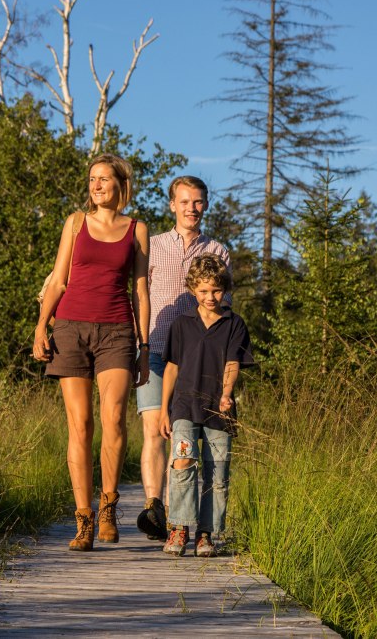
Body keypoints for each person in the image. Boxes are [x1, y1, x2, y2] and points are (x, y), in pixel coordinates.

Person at [33, 153, 150, 552]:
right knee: (80, 425)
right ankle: (83, 519)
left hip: (117, 331)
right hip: (69, 327)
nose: (96, 185)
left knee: (114, 419)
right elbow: (58, 279)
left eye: (104, 179)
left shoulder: (137, 229)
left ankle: (108, 507)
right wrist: (39, 327)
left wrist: (145, 346)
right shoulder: (75, 223)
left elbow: (140, 291)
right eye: (92, 179)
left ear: (121, 185)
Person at [135, 176, 230, 541]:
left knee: (187, 436)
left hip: (198, 360)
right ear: (172, 204)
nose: (192, 208)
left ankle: (181, 519)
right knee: (154, 431)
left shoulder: (218, 251)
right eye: (185, 201)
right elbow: (138, 294)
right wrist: (139, 345)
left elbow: (224, 309)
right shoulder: (153, 247)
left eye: (199, 202)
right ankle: (155, 508)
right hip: (155, 351)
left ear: (205, 205)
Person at [159, 254, 254, 557]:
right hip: (184, 407)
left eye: (216, 290)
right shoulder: (182, 324)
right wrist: (164, 410)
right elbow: (172, 367)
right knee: (183, 462)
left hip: (218, 411)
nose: (210, 297)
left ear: (224, 289)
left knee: (218, 473)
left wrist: (227, 393)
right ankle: (179, 528)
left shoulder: (233, 324)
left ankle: (206, 533)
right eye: (203, 291)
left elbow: (232, 362)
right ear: (192, 290)